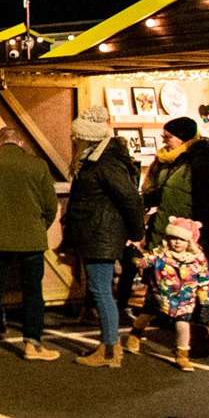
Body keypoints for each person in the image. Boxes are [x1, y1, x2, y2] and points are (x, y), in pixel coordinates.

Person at [0, 127, 60, 361]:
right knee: (33, 292)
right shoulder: (38, 165)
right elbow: (50, 205)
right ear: (21, 143)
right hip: (32, 240)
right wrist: (39, 227)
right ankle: (32, 344)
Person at [62, 107, 144, 368]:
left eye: (78, 136)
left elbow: (130, 198)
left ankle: (110, 349)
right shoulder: (101, 159)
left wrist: (136, 233)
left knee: (101, 291)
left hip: (101, 234)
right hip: (98, 233)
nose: (75, 140)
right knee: (101, 290)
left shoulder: (105, 163)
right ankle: (110, 347)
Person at [144, 116, 209, 302]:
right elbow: (166, 192)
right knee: (165, 280)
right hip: (168, 228)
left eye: (168, 137)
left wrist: (201, 231)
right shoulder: (172, 161)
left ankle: (197, 324)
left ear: (183, 138)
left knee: (189, 283)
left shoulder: (202, 162)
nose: (164, 141)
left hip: (189, 234)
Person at [126, 218, 209, 371]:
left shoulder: (198, 260)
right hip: (159, 296)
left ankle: (182, 355)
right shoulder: (161, 254)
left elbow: (204, 281)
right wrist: (134, 255)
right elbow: (144, 262)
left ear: (190, 241)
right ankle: (135, 334)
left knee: (182, 325)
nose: (177, 242)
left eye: (182, 239)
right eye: (173, 238)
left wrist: (205, 302)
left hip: (185, 300)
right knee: (145, 316)